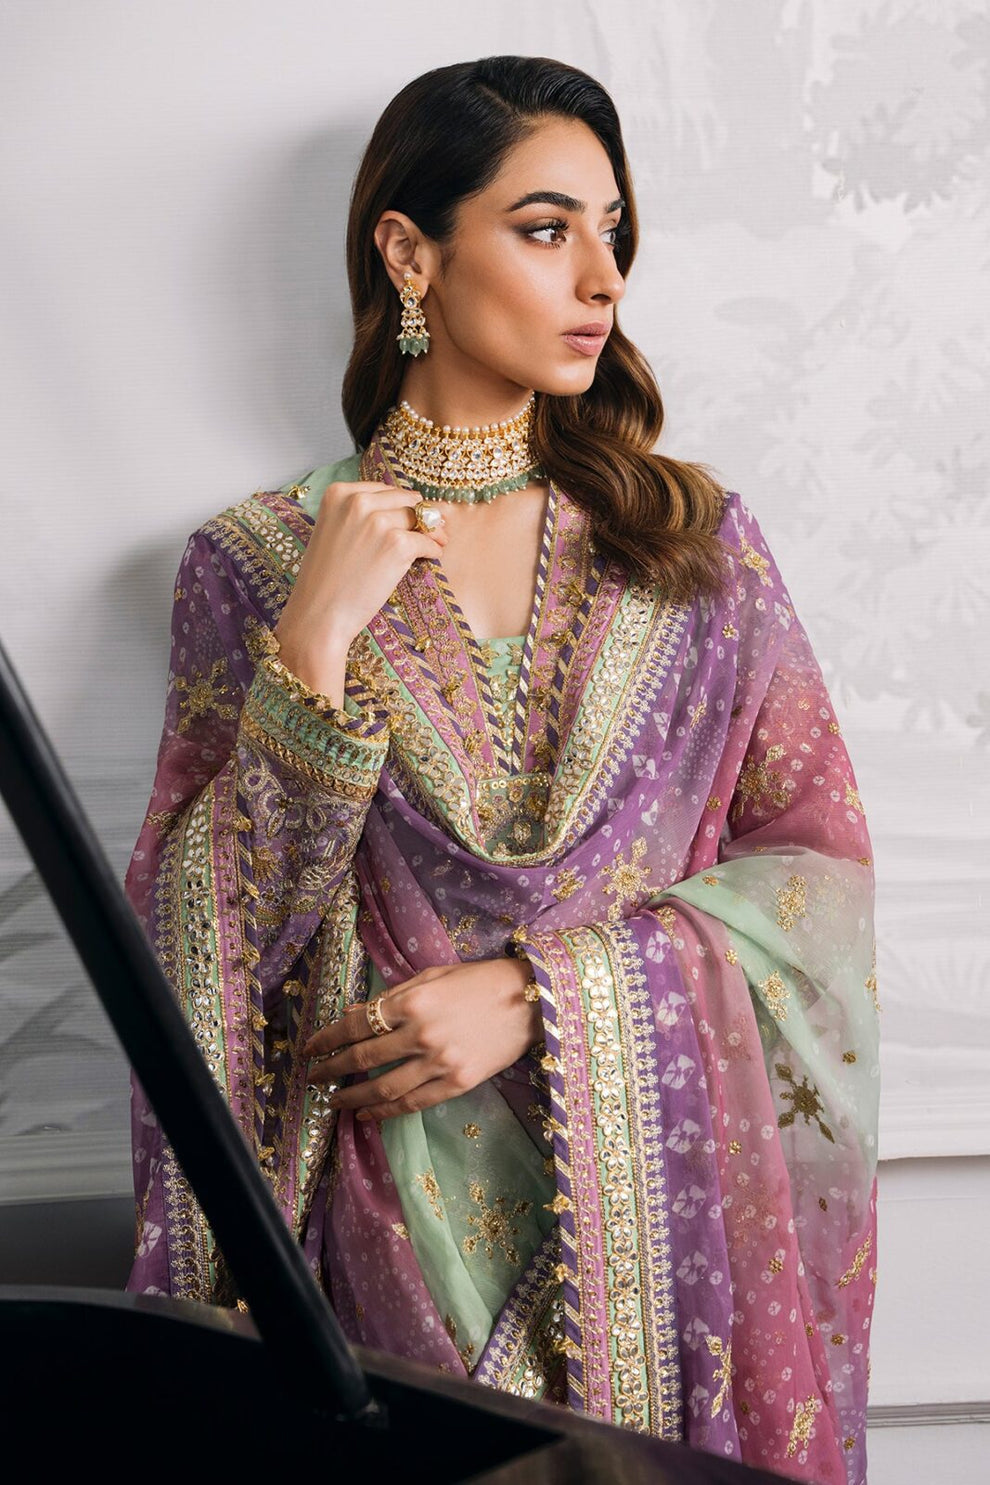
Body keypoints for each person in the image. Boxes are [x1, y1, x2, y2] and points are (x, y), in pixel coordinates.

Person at [124, 55, 879, 1485]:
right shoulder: (257, 563)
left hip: (667, 1238)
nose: (602, 277)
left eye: (612, 230)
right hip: (386, 1255)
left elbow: (814, 878)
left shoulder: (693, 550)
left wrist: (539, 995)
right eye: (545, 229)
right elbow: (202, 953)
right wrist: (315, 642)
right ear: (408, 253)